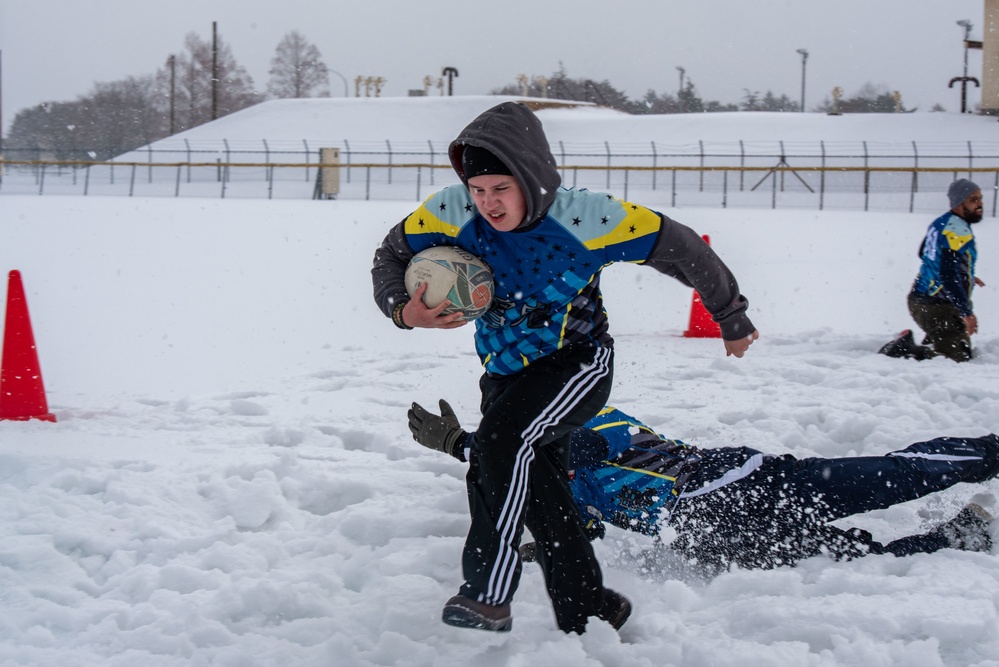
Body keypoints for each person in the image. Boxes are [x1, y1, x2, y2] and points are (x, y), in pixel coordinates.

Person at [371, 101, 759, 634]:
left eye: (500, 189)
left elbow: (684, 250)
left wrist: (729, 316)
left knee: (500, 446)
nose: (487, 203)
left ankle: (487, 593)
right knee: (531, 484)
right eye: (478, 189)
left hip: (576, 365)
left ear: (530, 177)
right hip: (505, 372)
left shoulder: (587, 217)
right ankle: (591, 606)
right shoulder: (449, 211)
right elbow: (390, 254)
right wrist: (402, 309)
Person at [408, 399, 998, 576]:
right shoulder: (556, 472)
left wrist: (465, 445)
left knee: (894, 475)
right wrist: (548, 541)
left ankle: (988, 454)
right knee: (851, 560)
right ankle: (959, 535)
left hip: (732, 483)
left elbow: (559, 455)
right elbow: (577, 522)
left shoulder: (586, 413)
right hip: (700, 531)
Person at [880, 178, 986, 362]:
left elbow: (925, 253)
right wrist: (967, 313)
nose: (979, 204)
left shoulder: (942, 222)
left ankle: (935, 340)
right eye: (973, 200)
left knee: (955, 342)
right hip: (935, 307)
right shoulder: (957, 231)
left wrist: (964, 272)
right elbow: (947, 274)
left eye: (980, 198)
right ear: (960, 203)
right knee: (955, 360)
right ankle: (904, 349)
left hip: (923, 300)